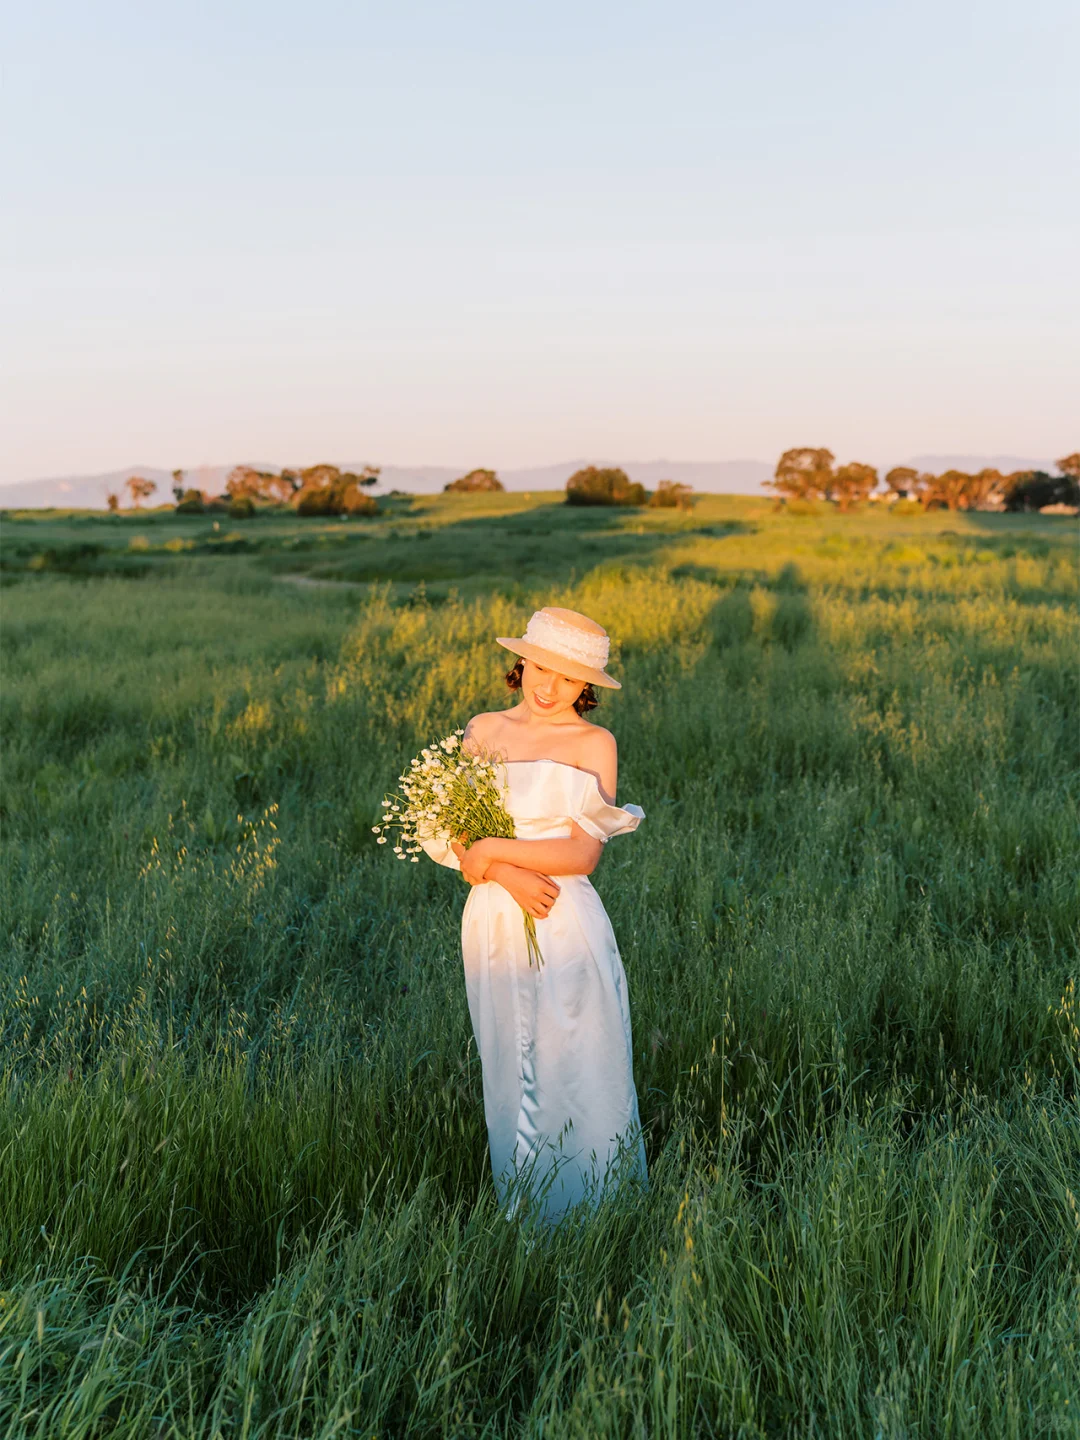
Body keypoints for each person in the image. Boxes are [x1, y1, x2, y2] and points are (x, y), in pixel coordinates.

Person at [420, 605, 648, 1225]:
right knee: (510, 1059)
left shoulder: (594, 743)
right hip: (495, 914)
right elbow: (458, 845)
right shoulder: (484, 729)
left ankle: (601, 1209)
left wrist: (495, 849)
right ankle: (525, 1210)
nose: (550, 687)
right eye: (542, 667)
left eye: (570, 678)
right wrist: (503, 868)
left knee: (579, 1052)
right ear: (521, 661)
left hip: (563, 914)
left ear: (588, 688)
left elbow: (583, 851)